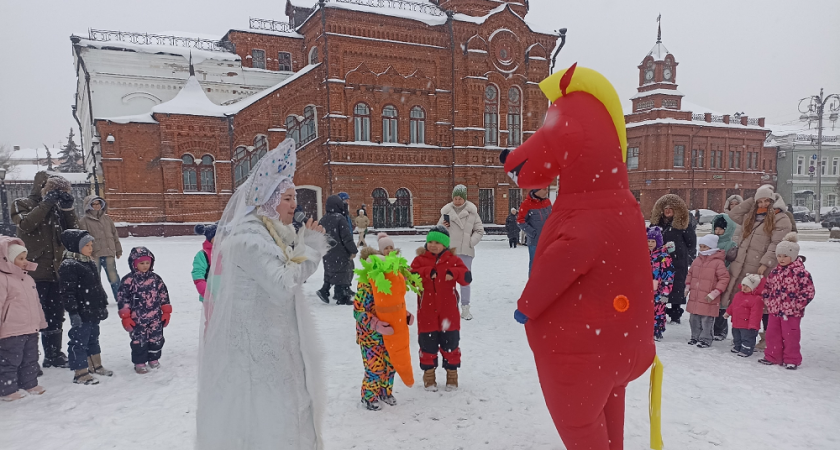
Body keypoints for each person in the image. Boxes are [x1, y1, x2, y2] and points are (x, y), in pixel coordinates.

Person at [196, 139, 329, 449]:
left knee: (289, 406)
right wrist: (309, 247)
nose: (294, 204)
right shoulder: (248, 239)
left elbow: (291, 278)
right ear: (269, 200)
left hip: (277, 340)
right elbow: (284, 285)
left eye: (294, 197)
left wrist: (306, 246)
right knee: (266, 414)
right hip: (257, 347)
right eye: (287, 197)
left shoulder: (273, 234)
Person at [11, 172, 79, 368]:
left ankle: (53, 354)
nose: (55, 193)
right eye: (52, 189)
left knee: (56, 314)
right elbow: (26, 224)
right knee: (32, 317)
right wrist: (46, 203)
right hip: (33, 272)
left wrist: (68, 208)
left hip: (56, 270)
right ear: (41, 187)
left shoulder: (56, 209)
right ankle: (30, 360)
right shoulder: (22, 203)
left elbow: (73, 232)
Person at [723, 185, 792, 351]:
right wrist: (752, 201)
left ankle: (767, 337)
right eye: (760, 201)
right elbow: (733, 214)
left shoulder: (780, 218)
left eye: (766, 200)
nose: (763, 204)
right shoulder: (751, 215)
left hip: (762, 267)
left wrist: (765, 263)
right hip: (743, 264)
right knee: (744, 302)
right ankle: (745, 335)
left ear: (773, 200)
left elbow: (777, 243)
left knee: (763, 304)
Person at [411, 226, 471, 392]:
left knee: (450, 344)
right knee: (427, 344)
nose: (433, 245)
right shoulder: (420, 259)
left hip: (448, 312)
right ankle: (429, 376)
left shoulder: (453, 259)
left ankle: (452, 375)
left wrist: (455, 272)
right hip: (427, 312)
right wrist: (426, 272)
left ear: (445, 244)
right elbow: (410, 277)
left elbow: (466, 277)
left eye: (437, 242)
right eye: (430, 241)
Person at [353, 247, 414, 410]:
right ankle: (369, 396)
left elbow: (393, 305)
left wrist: (404, 315)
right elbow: (358, 311)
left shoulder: (389, 283)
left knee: (390, 364)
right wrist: (375, 324)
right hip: (369, 336)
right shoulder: (365, 285)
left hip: (390, 333)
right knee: (375, 367)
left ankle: (385, 392)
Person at [59, 229, 111, 385]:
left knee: (93, 337)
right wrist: (73, 312)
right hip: (81, 311)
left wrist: (103, 302)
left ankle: (95, 365)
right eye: (87, 245)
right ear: (75, 246)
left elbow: (97, 286)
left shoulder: (88, 261)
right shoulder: (69, 265)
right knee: (79, 341)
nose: (91, 248)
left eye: (91, 245)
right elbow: (67, 292)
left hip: (93, 309)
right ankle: (80, 372)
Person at [0, 237, 47, 401]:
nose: (25, 262)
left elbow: (36, 303)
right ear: (8, 259)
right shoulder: (3, 279)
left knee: (30, 358)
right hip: (11, 329)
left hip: (30, 327)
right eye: (20, 258)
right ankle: (7, 389)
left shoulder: (28, 279)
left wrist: (40, 321)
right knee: (10, 360)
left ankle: (29, 383)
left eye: (25, 257)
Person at [759, 233, 814, 370]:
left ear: (794, 256)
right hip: (774, 310)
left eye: (785, 256)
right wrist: (768, 300)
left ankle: (792, 359)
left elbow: (808, 291)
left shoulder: (801, 273)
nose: (781, 259)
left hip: (792, 312)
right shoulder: (774, 272)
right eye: (779, 256)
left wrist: (798, 305)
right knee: (772, 335)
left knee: (791, 336)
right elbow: (767, 287)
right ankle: (773, 356)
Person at [117, 247, 171, 374]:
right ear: (134, 264)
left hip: (155, 317)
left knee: (156, 339)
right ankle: (139, 362)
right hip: (137, 318)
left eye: (148, 263)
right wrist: (126, 316)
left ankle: (153, 359)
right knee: (139, 341)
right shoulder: (128, 280)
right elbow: (123, 299)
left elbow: (163, 294)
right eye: (141, 263)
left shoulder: (156, 279)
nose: (145, 266)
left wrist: (166, 311)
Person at [438, 185, 484, 320]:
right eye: (455, 198)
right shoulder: (446, 213)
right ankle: (449, 307)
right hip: (450, 252)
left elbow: (479, 230)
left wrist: (470, 242)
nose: (457, 201)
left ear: (464, 199)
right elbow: (438, 232)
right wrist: (442, 227)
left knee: (465, 280)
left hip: (465, 252)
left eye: (460, 198)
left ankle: (465, 307)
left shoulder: (472, 213)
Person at [650, 194, 697, 324]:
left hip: (677, 261)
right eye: (665, 208)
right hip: (659, 262)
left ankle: (676, 313)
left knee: (676, 287)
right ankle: (660, 310)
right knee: (660, 286)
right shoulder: (656, 225)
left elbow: (691, 242)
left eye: (671, 208)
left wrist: (687, 256)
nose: (668, 210)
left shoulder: (683, 225)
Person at [685, 234, 730, 348]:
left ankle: (705, 339)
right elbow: (690, 274)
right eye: (700, 246)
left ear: (711, 247)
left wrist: (716, 292)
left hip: (709, 296)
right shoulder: (697, 260)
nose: (702, 249)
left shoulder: (718, 263)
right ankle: (695, 336)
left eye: (704, 247)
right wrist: (687, 286)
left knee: (707, 320)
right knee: (693, 319)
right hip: (695, 295)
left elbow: (724, 278)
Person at [78, 195, 122, 299]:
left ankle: (120, 297)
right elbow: (83, 238)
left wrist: (118, 249)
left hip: (108, 252)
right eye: (94, 204)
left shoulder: (107, 218)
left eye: (98, 203)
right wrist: (86, 253)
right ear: (89, 205)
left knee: (113, 276)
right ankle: (97, 298)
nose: (97, 206)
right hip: (94, 254)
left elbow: (114, 234)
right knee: (94, 278)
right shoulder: (84, 221)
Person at [317, 195, 358, 305]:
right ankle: (341, 297)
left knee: (331, 272)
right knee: (343, 272)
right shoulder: (340, 218)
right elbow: (346, 237)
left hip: (328, 251)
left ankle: (325, 290)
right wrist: (353, 250)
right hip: (340, 252)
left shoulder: (323, 219)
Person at [724, 274, 766, 357]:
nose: (744, 288)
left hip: (748, 324)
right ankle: (738, 346)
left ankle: (747, 349)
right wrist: (728, 312)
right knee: (737, 336)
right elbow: (733, 305)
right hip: (736, 322)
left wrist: (753, 325)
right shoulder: (738, 295)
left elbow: (756, 313)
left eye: (748, 286)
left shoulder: (757, 299)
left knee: (747, 337)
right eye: (743, 285)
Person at [712, 213, 738, 341]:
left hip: (723, 277)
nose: (718, 231)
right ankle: (711, 328)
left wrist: (723, 271)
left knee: (722, 305)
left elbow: (732, 262)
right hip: (711, 278)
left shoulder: (730, 244)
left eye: (721, 229)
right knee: (712, 304)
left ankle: (721, 330)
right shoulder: (711, 242)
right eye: (716, 229)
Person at [647, 227, 674, 341]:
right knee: (645, 311)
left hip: (659, 290)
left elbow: (669, 276)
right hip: (644, 289)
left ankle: (657, 331)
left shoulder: (664, 257)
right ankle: (646, 330)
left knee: (658, 311)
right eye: (648, 241)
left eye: (653, 241)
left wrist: (665, 292)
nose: (650, 244)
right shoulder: (643, 255)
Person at [517, 188, 552, 275]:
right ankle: (533, 285)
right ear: (536, 191)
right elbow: (520, 221)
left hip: (549, 240)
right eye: (544, 189)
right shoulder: (526, 204)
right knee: (535, 265)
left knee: (549, 264)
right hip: (535, 242)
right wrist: (533, 233)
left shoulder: (547, 202)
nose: (546, 191)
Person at [192, 224, 216, 303]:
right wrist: (207, 294)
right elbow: (198, 276)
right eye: (217, 237)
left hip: (227, 298)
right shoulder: (203, 255)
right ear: (210, 238)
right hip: (210, 298)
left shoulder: (226, 252)